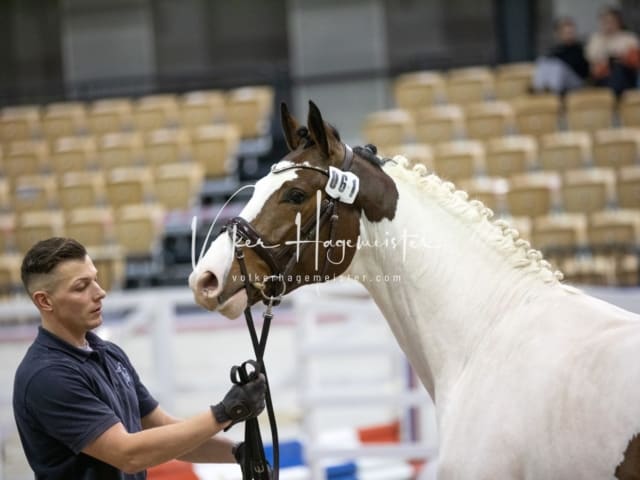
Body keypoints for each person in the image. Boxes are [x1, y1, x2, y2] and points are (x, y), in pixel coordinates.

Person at [12, 237, 267, 479]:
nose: (100, 292)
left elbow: (162, 430)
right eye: (81, 287)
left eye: (96, 280)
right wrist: (225, 412)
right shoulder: (47, 376)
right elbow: (127, 454)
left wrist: (238, 452)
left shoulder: (109, 354)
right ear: (44, 301)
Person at [586, 5, 640, 95]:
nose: (608, 24)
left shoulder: (629, 37)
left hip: (627, 77)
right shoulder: (595, 39)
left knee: (618, 67)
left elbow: (634, 60)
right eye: (605, 21)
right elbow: (594, 61)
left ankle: (614, 95)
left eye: (611, 21)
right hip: (603, 77)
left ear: (618, 21)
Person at [532, 17, 590, 94]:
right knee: (542, 61)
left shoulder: (579, 48)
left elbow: (582, 69)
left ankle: (554, 95)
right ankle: (539, 90)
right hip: (560, 80)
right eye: (566, 33)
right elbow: (549, 60)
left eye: (571, 32)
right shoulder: (557, 48)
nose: (569, 35)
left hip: (577, 81)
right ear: (560, 34)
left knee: (558, 67)